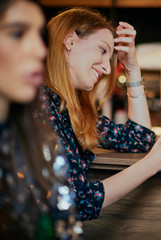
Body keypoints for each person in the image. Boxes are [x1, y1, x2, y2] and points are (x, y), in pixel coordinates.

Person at [39, 8, 161, 221]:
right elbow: (76, 202)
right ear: (70, 42)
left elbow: (139, 138)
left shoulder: (75, 113)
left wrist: (132, 68)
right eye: (103, 50)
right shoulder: (39, 103)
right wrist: (153, 163)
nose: (108, 69)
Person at [0, 0, 82, 239]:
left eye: (39, 35)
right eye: (17, 33)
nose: (39, 49)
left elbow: (67, 230)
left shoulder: (40, 140)